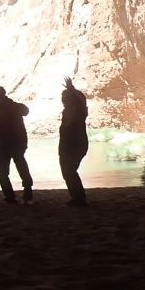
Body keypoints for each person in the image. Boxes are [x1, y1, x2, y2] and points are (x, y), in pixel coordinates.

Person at [0, 85, 34, 204]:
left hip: (3, 144)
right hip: (13, 143)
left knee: (4, 171)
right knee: (19, 165)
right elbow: (26, 111)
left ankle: (11, 195)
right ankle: (25, 190)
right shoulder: (13, 108)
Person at [59, 77, 89, 206]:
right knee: (67, 171)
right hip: (66, 146)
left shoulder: (79, 112)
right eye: (62, 98)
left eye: (65, 98)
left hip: (77, 145)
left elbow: (81, 99)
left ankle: (79, 198)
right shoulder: (66, 112)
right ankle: (77, 197)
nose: (63, 100)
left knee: (69, 170)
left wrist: (71, 88)